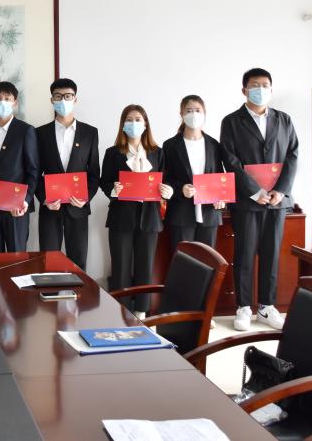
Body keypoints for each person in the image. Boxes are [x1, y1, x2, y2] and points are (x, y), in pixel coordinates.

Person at [220, 68, 299, 332]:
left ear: (271, 89)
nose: (260, 89)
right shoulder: (231, 121)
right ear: (244, 90)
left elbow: (292, 155)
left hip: (276, 201)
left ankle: (267, 306)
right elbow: (230, 159)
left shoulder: (284, 120)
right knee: (244, 254)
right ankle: (243, 307)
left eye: (265, 85)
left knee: (271, 253)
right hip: (247, 200)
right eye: (255, 85)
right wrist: (254, 191)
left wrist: (281, 191)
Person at [100, 104, 172, 320]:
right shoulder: (113, 153)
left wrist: (168, 191)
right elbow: (104, 182)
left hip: (149, 218)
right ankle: (120, 311)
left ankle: (142, 310)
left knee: (145, 266)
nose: (134, 123)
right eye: (129, 120)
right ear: (122, 125)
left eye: (138, 119)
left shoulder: (158, 152)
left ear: (145, 124)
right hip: (121, 217)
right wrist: (114, 189)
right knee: (121, 266)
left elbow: (166, 180)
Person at [35, 78, 100, 269]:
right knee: (48, 261)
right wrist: (44, 198)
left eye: (68, 96)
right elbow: (35, 172)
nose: (63, 100)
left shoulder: (90, 133)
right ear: (52, 100)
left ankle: (78, 290)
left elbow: (94, 173)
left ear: (75, 99)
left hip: (77, 208)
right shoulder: (40, 133)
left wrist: (85, 198)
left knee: (78, 262)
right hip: (50, 208)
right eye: (58, 96)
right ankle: (50, 290)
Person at [0, 81, 39, 253]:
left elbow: (33, 170)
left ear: (15, 103)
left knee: (17, 259)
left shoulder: (26, 130)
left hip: (16, 209)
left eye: (7, 99)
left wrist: (25, 201)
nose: (2, 102)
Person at [162, 95, 230, 250]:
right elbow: (165, 178)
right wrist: (180, 189)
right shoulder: (170, 146)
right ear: (181, 114)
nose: (194, 114)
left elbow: (220, 176)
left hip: (209, 213)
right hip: (181, 214)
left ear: (204, 113)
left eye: (198, 110)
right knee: (183, 258)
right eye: (189, 110)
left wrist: (221, 197)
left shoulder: (214, 145)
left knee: (207, 260)